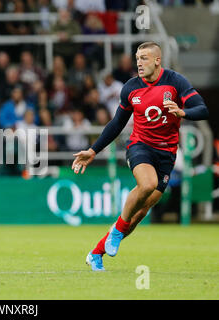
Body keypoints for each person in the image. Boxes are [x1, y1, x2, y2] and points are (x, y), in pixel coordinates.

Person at [71, 42, 209, 271]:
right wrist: (93, 150)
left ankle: (96, 253)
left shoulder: (176, 82)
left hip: (167, 153)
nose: (139, 62)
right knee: (147, 184)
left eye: (144, 58)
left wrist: (182, 111)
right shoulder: (130, 88)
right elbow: (117, 123)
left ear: (157, 60)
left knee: (140, 213)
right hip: (140, 145)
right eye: (137, 58)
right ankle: (116, 231)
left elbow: (202, 109)